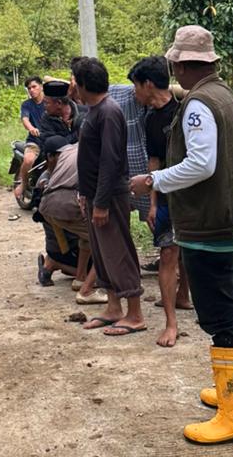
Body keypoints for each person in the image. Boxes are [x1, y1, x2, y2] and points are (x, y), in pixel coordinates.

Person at [130, 26, 233, 445]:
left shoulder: (199, 104)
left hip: (209, 227)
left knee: (222, 318)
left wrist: (153, 180)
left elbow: (201, 164)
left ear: (180, 65)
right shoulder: (227, 96)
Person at [74, 57, 145, 336]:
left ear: (83, 84)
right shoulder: (95, 110)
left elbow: (110, 160)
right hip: (95, 195)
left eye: (75, 82)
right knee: (103, 254)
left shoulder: (109, 112)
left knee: (118, 252)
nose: (73, 87)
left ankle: (135, 314)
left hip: (110, 196)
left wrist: (102, 203)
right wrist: (86, 194)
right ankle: (114, 307)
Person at [128, 56, 191, 348]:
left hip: (190, 197)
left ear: (148, 84)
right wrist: (153, 203)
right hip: (166, 197)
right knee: (168, 254)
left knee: (186, 251)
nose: (134, 93)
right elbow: (153, 161)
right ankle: (171, 323)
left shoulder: (185, 111)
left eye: (136, 86)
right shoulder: (151, 119)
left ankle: (183, 295)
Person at [35, 135, 104, 303]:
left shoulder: (71, 151)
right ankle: (86, 290)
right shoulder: (94, 148)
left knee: (88, 236)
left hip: (52, 209)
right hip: (65, 212)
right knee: (105, 241)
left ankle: (80, 278)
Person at [14, 76, 46, 202]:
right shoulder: (26, 105)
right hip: (35, 140)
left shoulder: (50, 101)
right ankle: (23, 183)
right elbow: (25, 119)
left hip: (50, 139)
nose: (31, 90)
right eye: (29, 88)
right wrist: (31, 128)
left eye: (34, 87)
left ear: (41, 86)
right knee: (28, 160)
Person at [36, 78, 84, 155]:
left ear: (59, 103)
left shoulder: (84, 112)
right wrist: (77, 135)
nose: (44, 106)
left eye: (46, 103)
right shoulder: (46, 118)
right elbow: (51, 145)